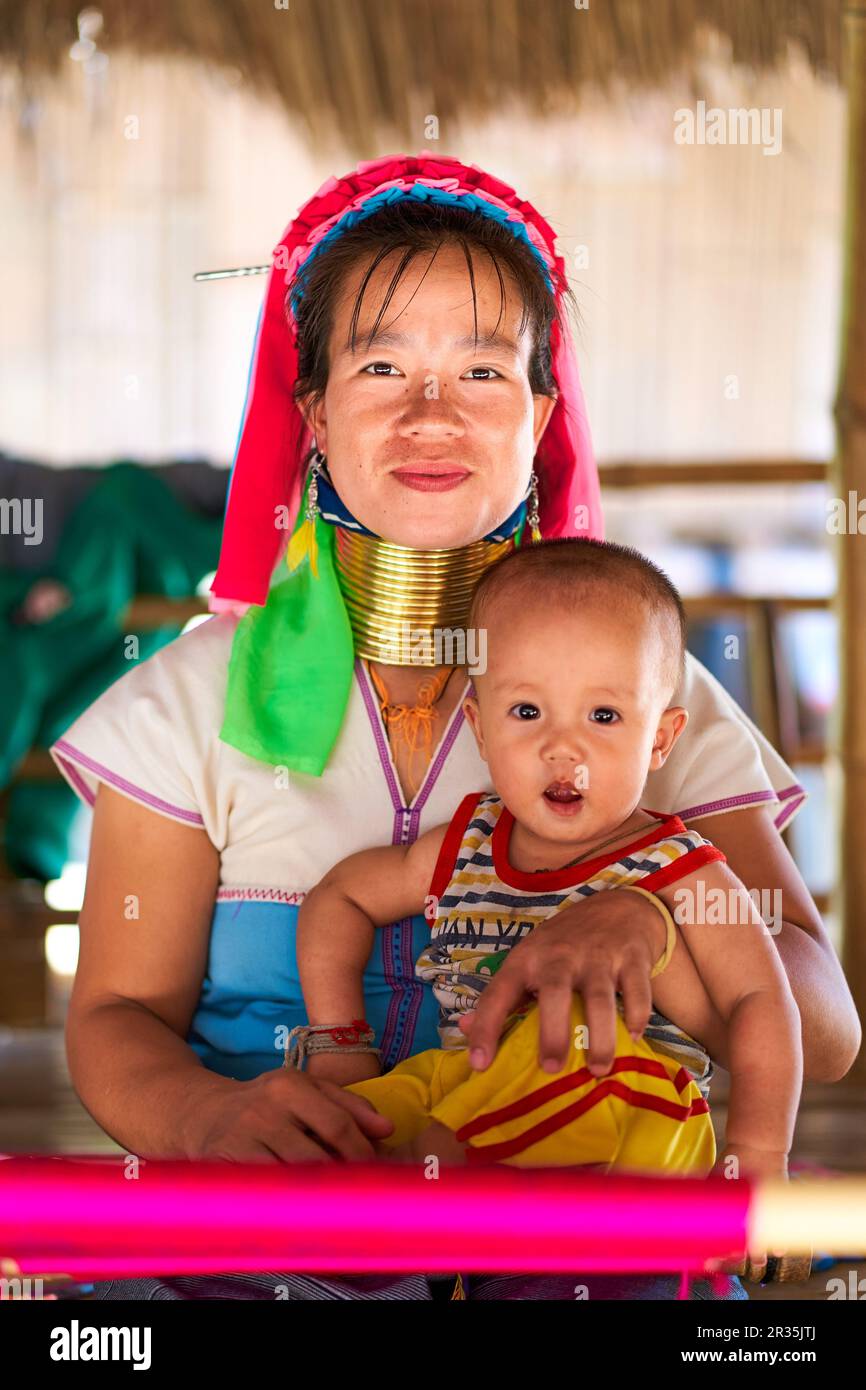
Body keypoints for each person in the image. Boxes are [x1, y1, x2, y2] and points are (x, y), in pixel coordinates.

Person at [44, 155, 858, 1300]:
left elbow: (817, 1028)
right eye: (381, 365)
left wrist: (653, 919)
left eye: (481, 368)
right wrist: (206, 1115)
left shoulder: (652, 694)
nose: (431, 412)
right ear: (315, 414)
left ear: (536, 416)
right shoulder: (191, 699)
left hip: (578, 1250)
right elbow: (120, 1011)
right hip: (267, 1241)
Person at [294, 538, 802, 1185]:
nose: (563, 748)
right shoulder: (466, 845)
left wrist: (757, 1153)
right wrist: (340, 1044)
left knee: (564, 1047)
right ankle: (382, 1196)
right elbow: (341, 897)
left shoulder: (680, 867)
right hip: (472, 1082)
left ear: (661, 740)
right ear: (481, 729)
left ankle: (429, 1187)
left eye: (604, 715)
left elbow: (763, 997)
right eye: (527, 711)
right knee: (347, 1121)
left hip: (623, 1093)